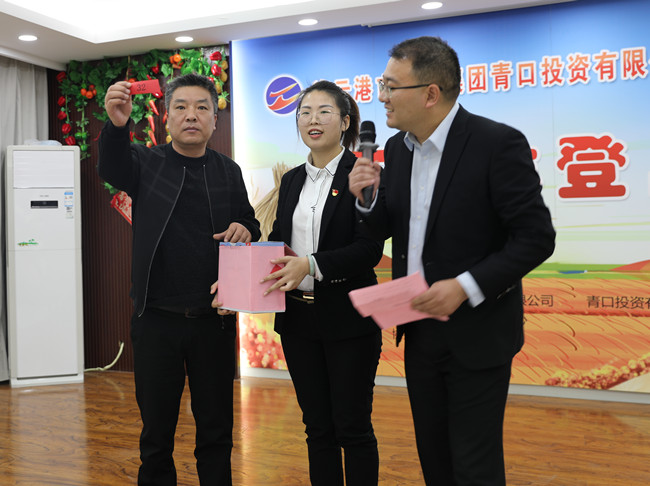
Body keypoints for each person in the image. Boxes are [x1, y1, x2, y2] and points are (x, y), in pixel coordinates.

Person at [348, 37, 556, 485]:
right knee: (435, 459)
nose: (381, 97)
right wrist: (366, 200)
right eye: (381, 84)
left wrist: (465, 286)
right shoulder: (398, 149)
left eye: (391, 86)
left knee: (474, 466)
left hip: (478, 334)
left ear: (430, 93)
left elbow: (536, 238)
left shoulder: (495, 143)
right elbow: (388, 227)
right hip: (420, 331)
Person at [99, 73, 261, 486]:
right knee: (156, 434)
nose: (192, 115)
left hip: (213, 322)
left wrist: (244, 228)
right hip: (156, 320)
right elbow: (112, 167)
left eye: (202, 107)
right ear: (167, 117)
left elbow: (249, 222)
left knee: (216, 432)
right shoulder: (146, 162)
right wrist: (117, 125)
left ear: (214, 120)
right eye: (181, 107)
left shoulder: (228, 171)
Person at [260, 80, 384, 485]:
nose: (313, 120)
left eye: (324, 111)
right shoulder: (292, 180)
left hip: (349, 319)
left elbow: (369, 249)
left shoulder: (363, 173)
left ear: (345, 122)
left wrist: (310, 265)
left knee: (353, 427)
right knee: (317, 428)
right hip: (298, 321)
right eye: (305, 112)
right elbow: (279, 241)